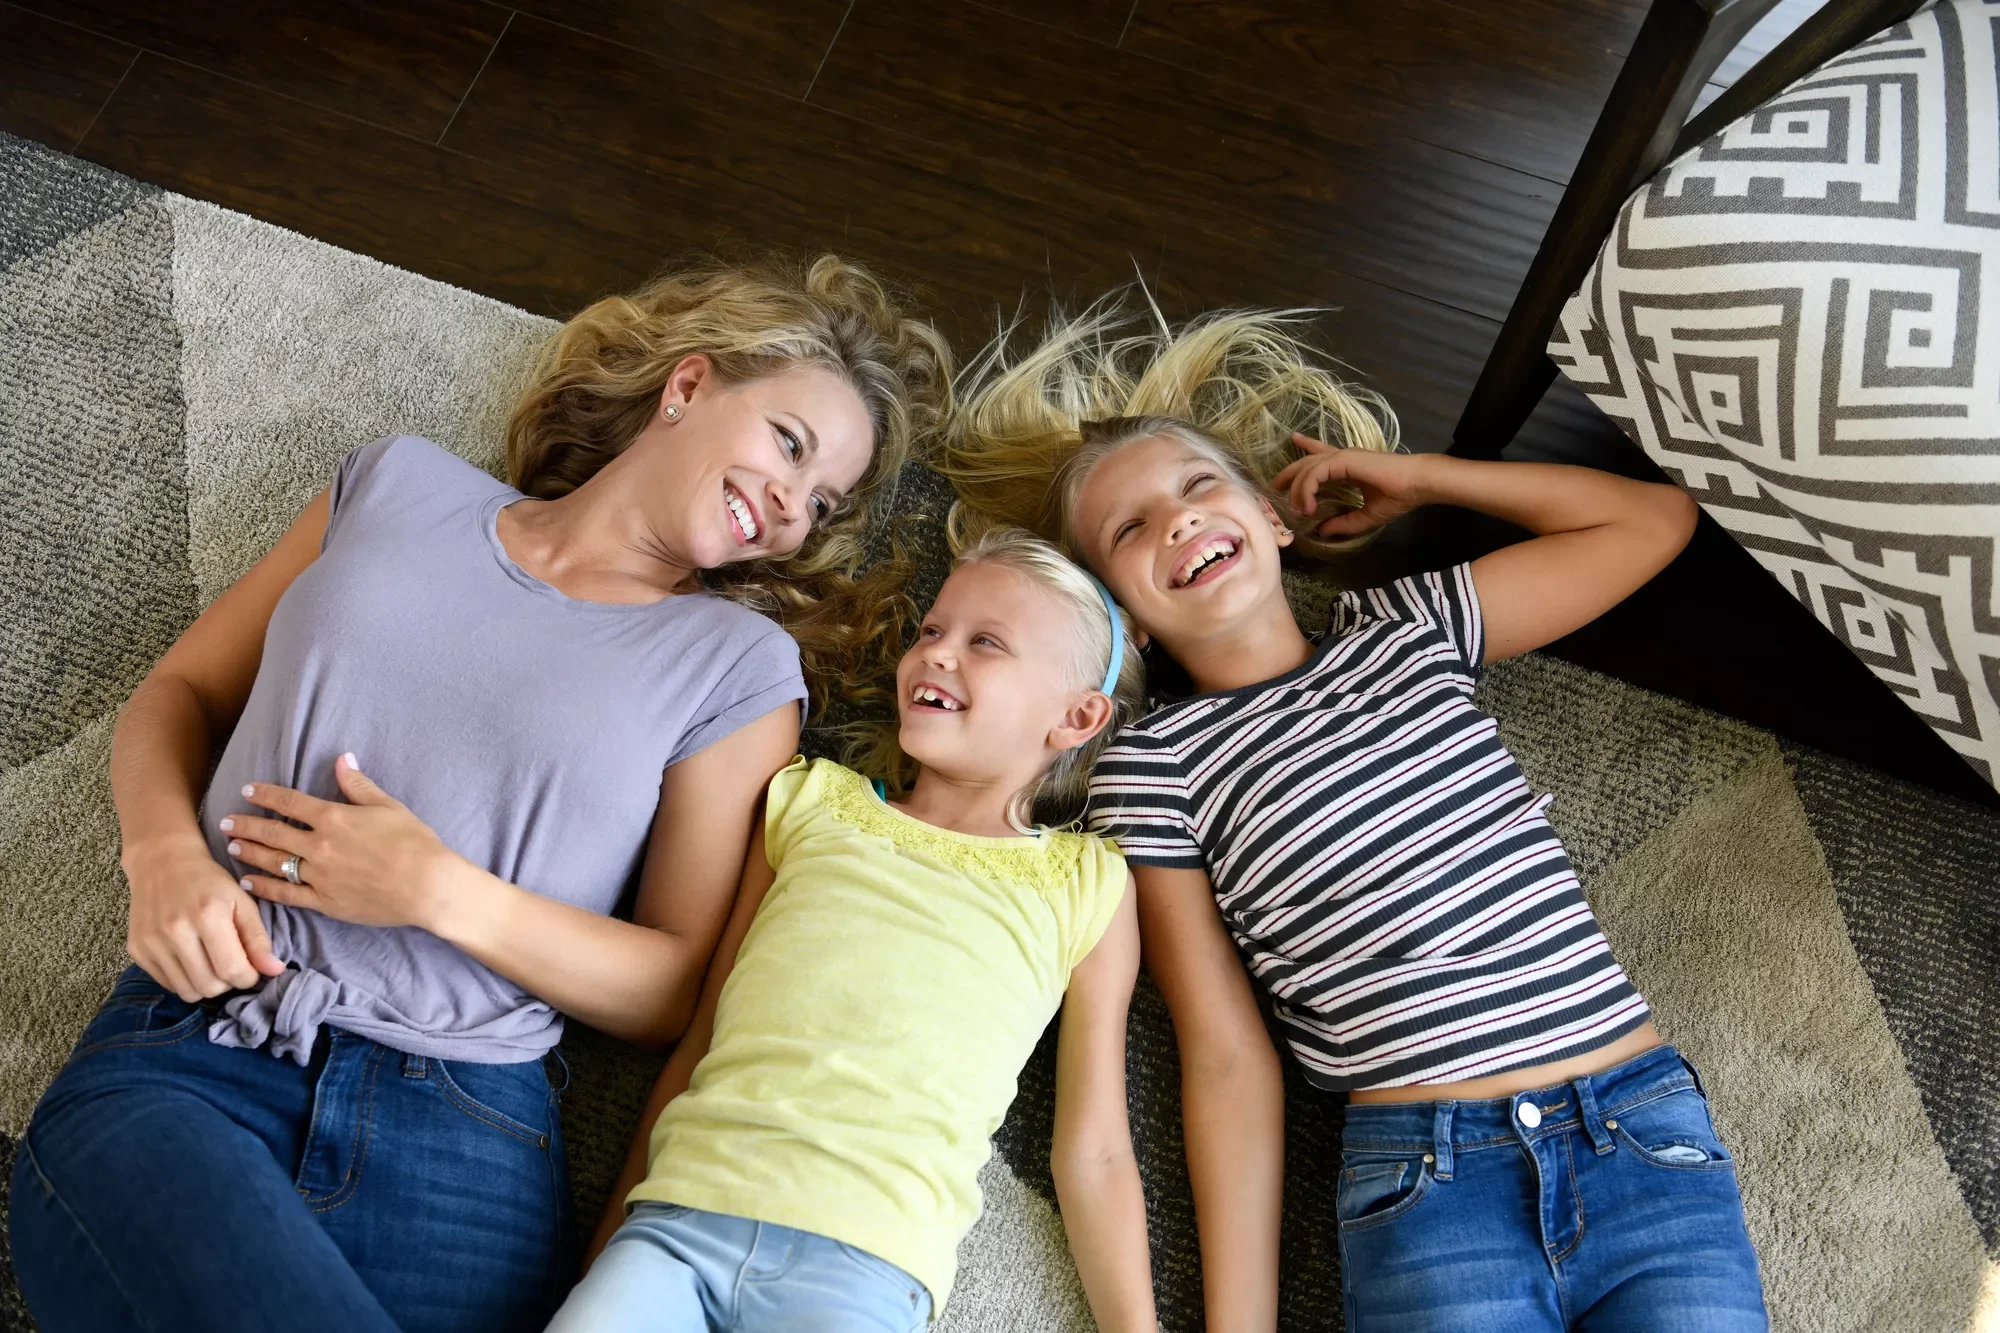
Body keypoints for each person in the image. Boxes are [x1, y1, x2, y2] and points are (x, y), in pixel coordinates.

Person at [9, 256, 950, 1333]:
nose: (790, 502)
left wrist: (437, 890)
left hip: (458, 1132)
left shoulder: (734, 667)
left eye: (819, 499)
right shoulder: (398, 486)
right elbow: (178, 692)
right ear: (686, 387)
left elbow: (671, 986)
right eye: (789, 443)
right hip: (196, 1045)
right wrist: (163, 859)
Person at [939, 301, 1769, 1331]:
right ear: (1123, 621)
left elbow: (1652, 522)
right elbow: (1224, 1053)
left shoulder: (1406, 627)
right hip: (1424, 1179)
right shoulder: (1154, 765)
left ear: (1271, 517)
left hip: (1638, 1133)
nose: (1179, 521)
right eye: (1131, 529)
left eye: (1199, 487)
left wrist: (1419, 478)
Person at [552, 528, 1155, 1333]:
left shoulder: (1086, 885)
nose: (936, 654)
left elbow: (1097, 1150)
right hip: (676, 1224)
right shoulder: (810, 804)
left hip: (866, 1264)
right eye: (932, 631)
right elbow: (702, 1038)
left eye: (986, 643)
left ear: (1077, 716)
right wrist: (609, 1241)